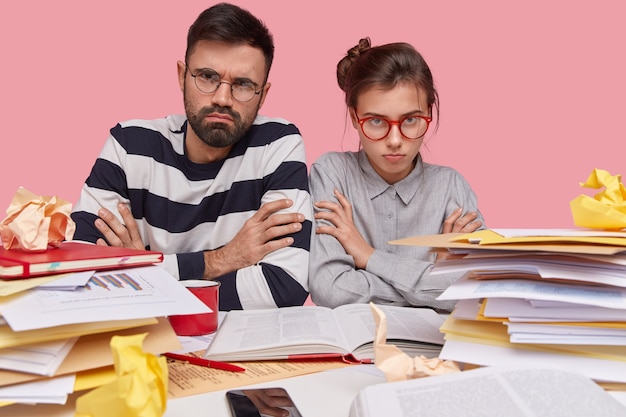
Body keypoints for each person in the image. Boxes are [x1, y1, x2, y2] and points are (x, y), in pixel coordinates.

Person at [71, 3, 311, 311]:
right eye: (208, 77)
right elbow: (78, 273)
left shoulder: (278, 144)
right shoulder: (129, 145)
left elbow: (284, 287)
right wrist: (223, 259)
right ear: (182, 75)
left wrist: (144, 273)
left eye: (242, 84)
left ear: (262, 95)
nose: (222, 98)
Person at [308, 38, 485, 312]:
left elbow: (477, 290)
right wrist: (432, 282)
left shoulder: (451, 187)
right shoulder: (332, 173)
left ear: (429, 113)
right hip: (355, 349)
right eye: (376, 121)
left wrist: (368, 256)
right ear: (355, 118)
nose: (394, 140)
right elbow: (330, 289)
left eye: (410, 120)